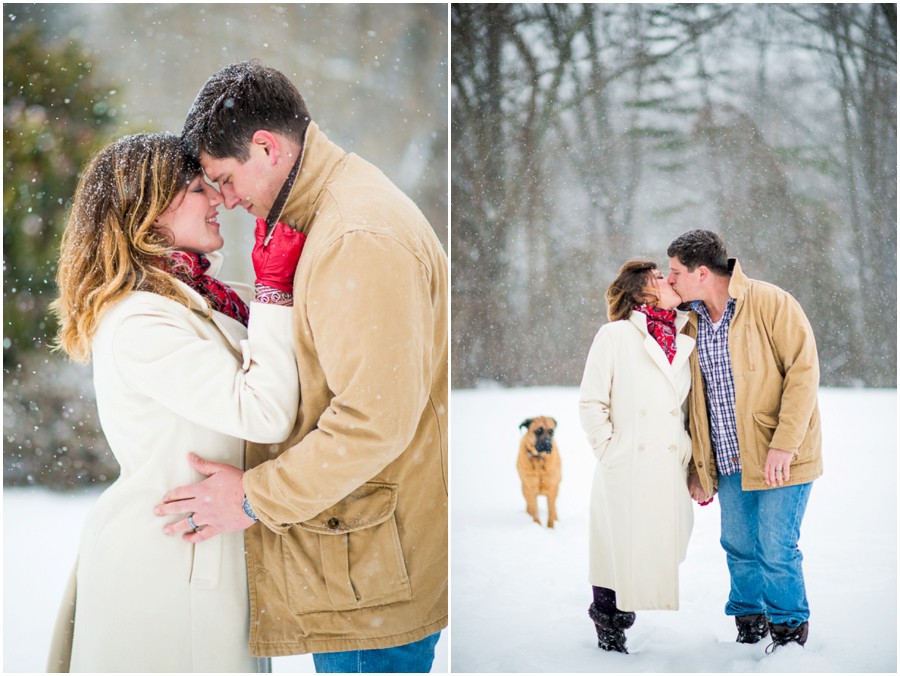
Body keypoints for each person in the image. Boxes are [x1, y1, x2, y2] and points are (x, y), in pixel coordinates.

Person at [153, 61, 448, 673]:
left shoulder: (354, 236)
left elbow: (374, 420)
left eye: (225, 179)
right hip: (359, 561)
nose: (225, 200)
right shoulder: (328, 218)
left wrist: (253, 497)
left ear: (266, 147)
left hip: (370, 575)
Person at [47, 132, 305, 672]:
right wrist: (275, 286)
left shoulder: (202, 297)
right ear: (147, 212)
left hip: (204, 557)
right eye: (195, 188)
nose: (217, 200)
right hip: (167, 569)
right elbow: (265, 411)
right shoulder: (142, 320)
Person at [666, 229, 822, 651]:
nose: (670, 280)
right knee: (738, 545)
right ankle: (749, 620)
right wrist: (701, 466)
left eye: (675, 272)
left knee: (776, 545)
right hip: (729, 458)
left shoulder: (771, 303)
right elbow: (693, 403)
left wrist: (784, 444)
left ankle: (788, 628)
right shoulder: (691, 321)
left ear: (701, 272)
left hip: (780, 456)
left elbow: (803, 375)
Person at [578, 260, 701, 654]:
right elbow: (591, 402)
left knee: (659, 543)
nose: (669, 281)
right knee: (615, 549)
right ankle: (610, 633)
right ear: (641, 294)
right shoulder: (613, 336)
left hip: (666, 465)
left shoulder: (683, 333)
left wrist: (687, 453)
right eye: (659, 279)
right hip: (626, 464)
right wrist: (611, 451)